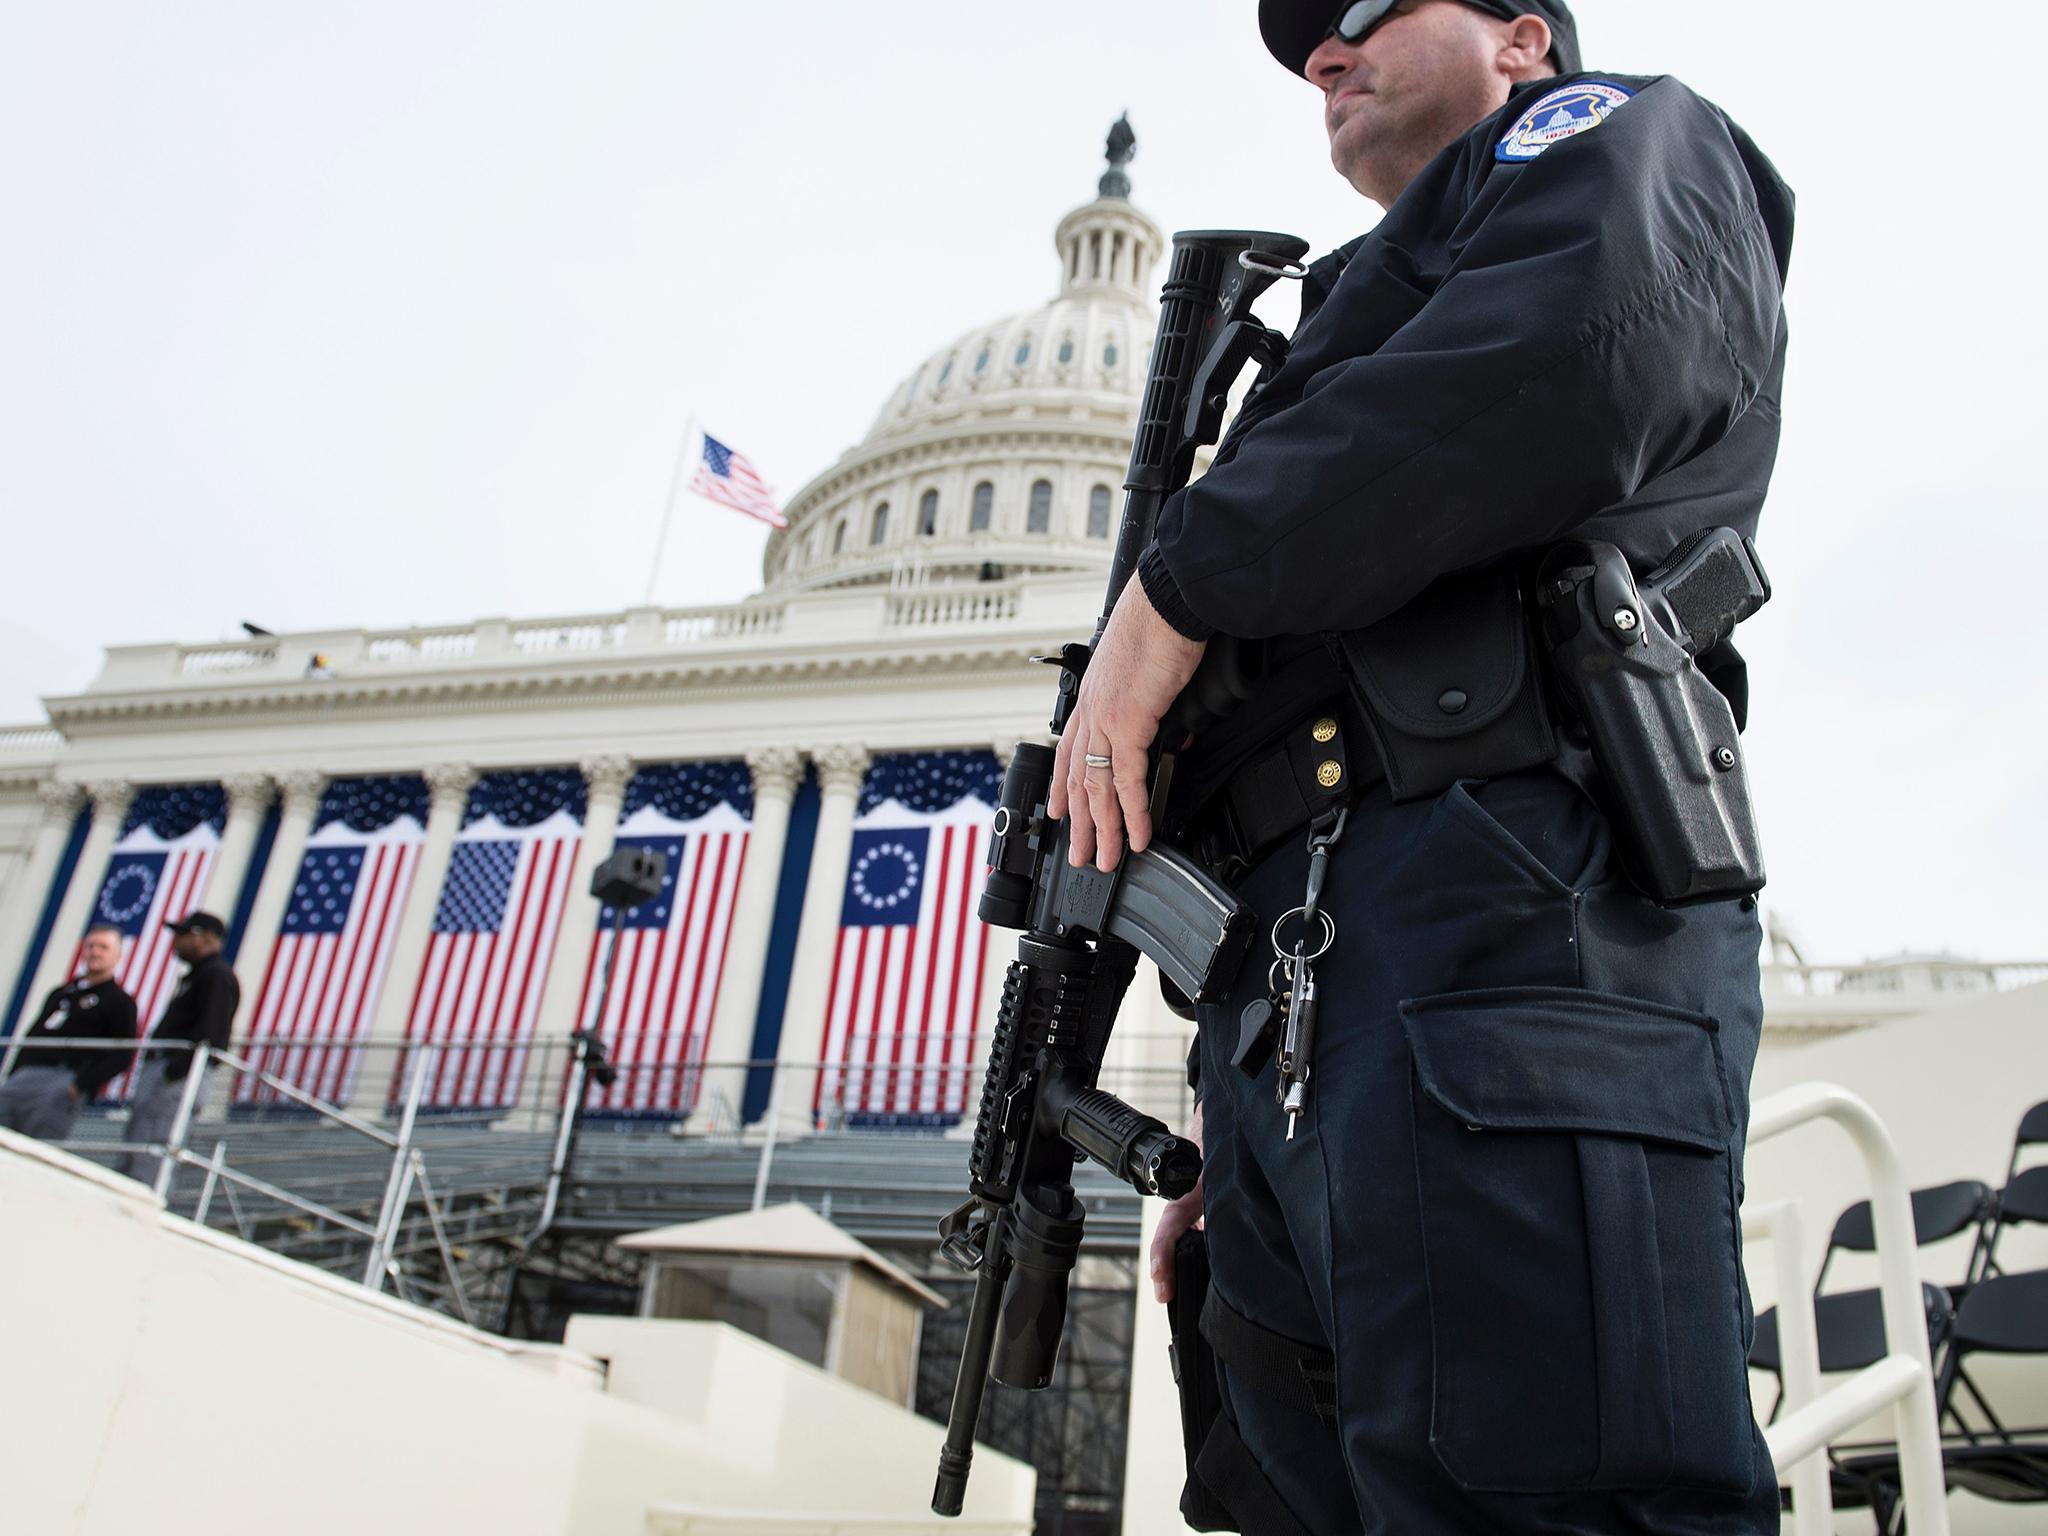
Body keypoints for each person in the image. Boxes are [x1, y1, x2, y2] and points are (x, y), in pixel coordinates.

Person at [1047, 2, 1793, 1532]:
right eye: (1305, 46)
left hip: (1512, 905)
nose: (1324, 54)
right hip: (1312, 993)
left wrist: (1178, 588)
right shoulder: (1344, 311)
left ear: (1523, 39)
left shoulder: (1611, 140)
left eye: (1368, 12)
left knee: (1548, 1494)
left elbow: (1571, 357)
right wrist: (1246, 1103)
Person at [118, 911, 239, 1186]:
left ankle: (142, 1199)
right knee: (139, 1141)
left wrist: (177, 1070)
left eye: (185, 934)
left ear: (207, 937)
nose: (177, 940)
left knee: (156, 1144)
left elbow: (212, 1033)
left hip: (178, 1076)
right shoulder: (197, 976)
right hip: (165, 1071)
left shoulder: (217, 975)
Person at [0, 925, 137, 1144]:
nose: (95, 952)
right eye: (90, 946)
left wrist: (80, 1085)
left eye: (103, 947)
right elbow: (33, 1035)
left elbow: (121, 1054)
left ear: (117, 956)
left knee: (39, 1149)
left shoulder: (120, 1002)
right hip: (25, 1077)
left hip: (64, 1080)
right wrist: (15, 1072)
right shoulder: (62, 993)